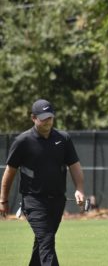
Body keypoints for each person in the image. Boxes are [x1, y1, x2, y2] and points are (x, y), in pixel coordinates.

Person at [0, 99, 85, 266]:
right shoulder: (22, 141)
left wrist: (79, 189)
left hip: (58, 200)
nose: (48, 121)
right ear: (33, 118)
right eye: (43, 117)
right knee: (46, 241)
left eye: (50, 117)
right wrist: (3, 199)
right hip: (34, 201)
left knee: (42, 242)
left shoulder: (63, 139)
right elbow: (9, 172)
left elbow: (74, 166)